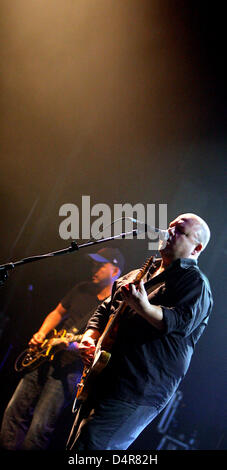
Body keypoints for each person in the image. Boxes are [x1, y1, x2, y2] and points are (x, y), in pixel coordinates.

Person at [69, 213, 213, 451]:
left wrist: (143, 306)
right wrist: (89, 337)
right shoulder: (143, 271)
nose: (169, 232)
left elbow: (179, 322)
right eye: (171, 226)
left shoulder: (194, 282)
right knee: (77, 446)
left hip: (138, 388)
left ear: (196, 248)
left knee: (92, 448)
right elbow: (106, 307)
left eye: (179, 231)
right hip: (104, 376)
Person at [0, 247, 124, 450]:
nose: (95, 267)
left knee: (39, 429)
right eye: (94, 263)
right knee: (13, 413)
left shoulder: (113, 306)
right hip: (44, 358)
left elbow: (104, 343)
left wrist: (74, 345)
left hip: (70, 370)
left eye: (101, 265)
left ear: (116, 272)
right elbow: (58, 313)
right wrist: (41, 333)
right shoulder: (82, 288)